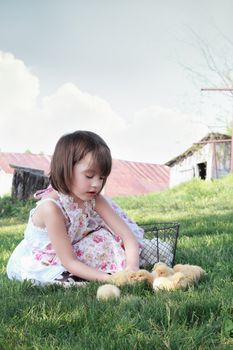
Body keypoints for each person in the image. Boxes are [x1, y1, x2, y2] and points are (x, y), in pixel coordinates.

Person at [7, 131, 144, 286]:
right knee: (71, 280)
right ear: (66, 170)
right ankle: (84, 275)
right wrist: (109, 279)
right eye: (89, 176)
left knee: (107, 239)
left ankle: (103, 269)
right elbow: (68, 261)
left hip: (72, 247)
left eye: (102, 178)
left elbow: (127, 236)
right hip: (48, 260)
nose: (97, 184)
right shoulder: (51, 209)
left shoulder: (94, 198)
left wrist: (133, 268)